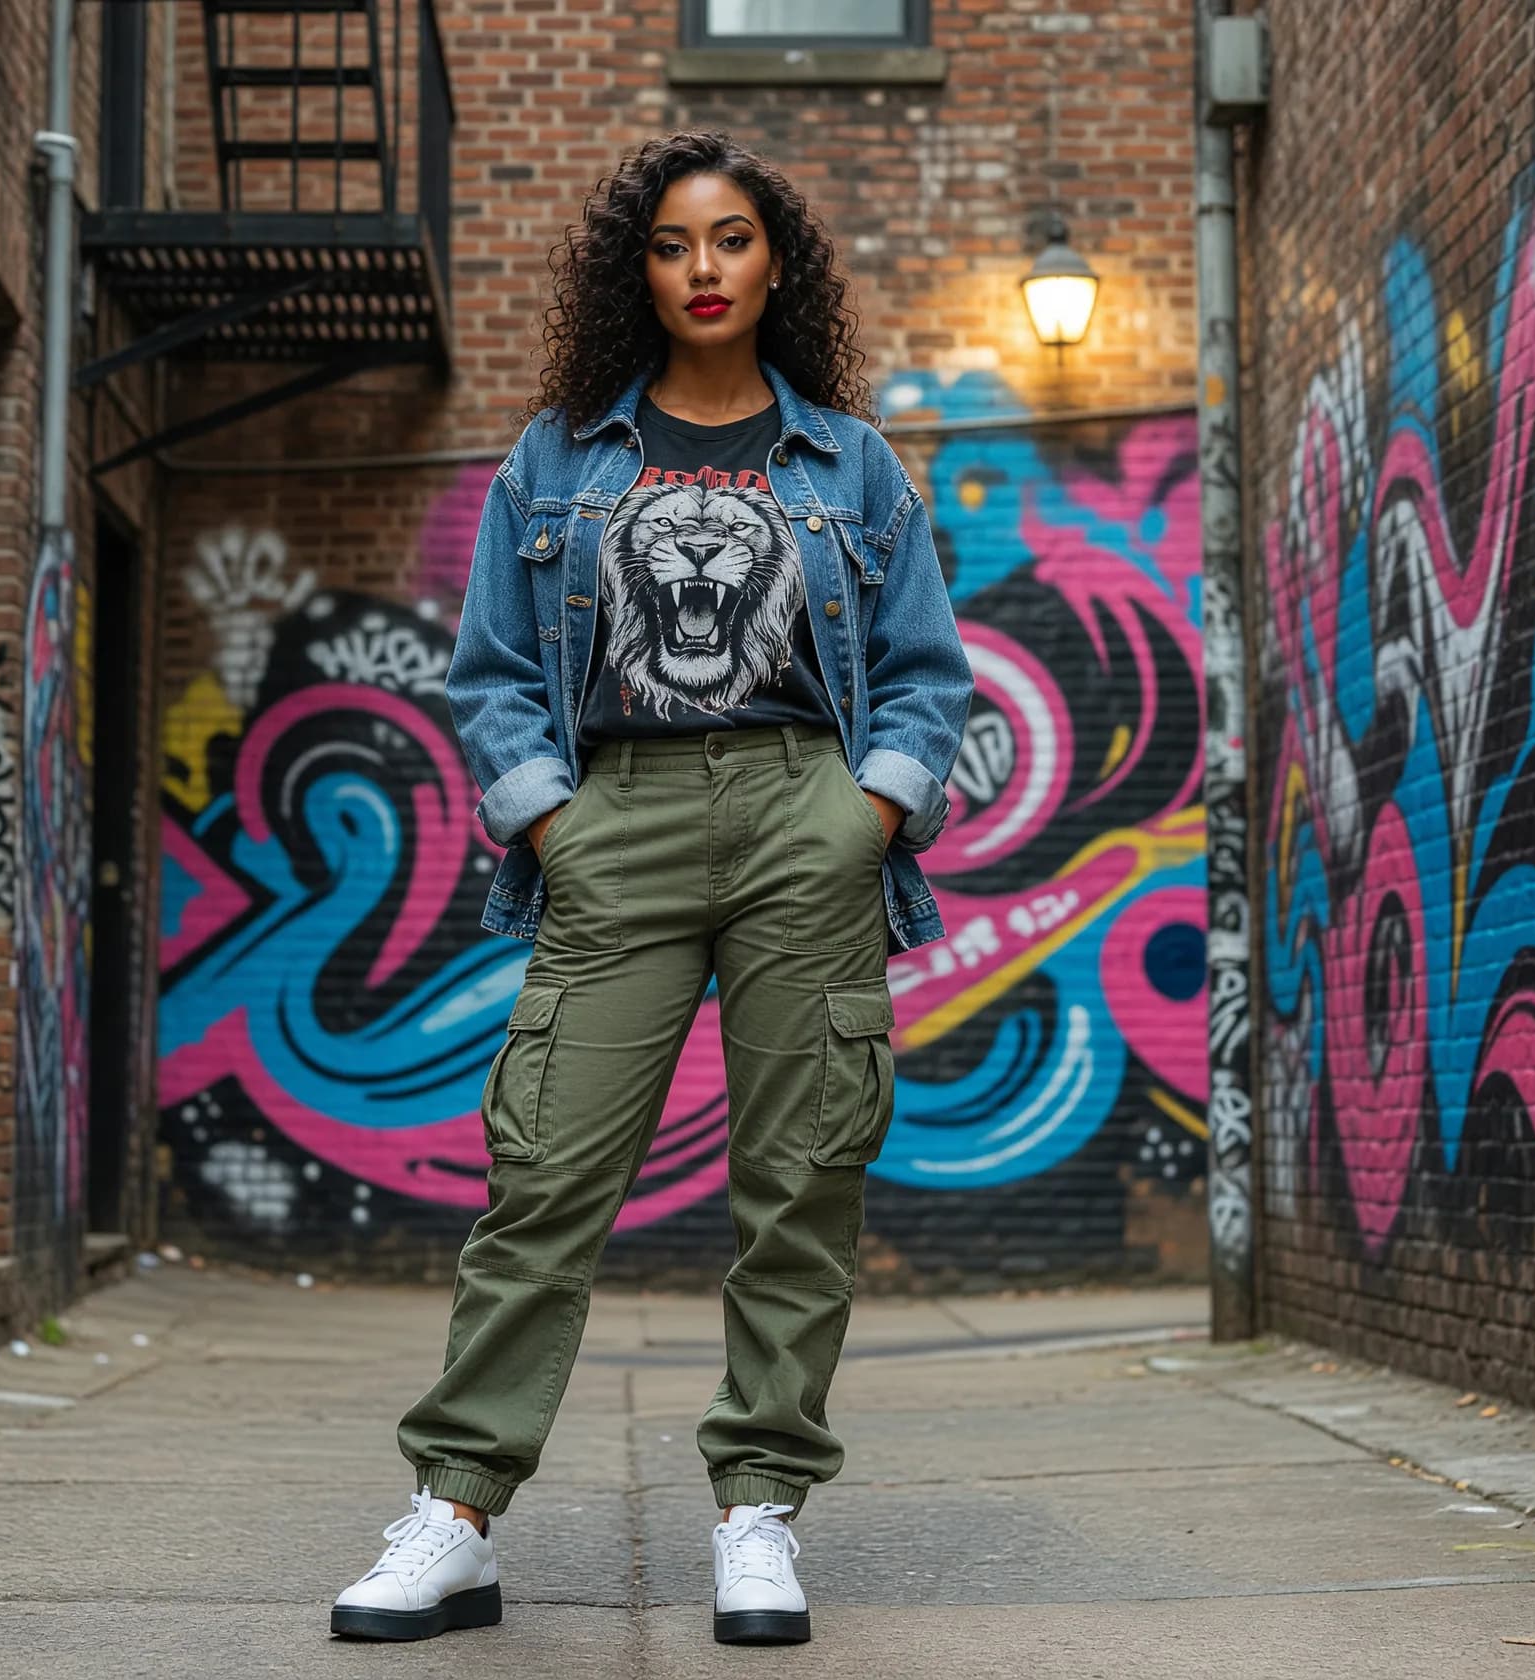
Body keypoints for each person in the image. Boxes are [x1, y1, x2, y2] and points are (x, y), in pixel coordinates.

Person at [330, 129, 973, 1649]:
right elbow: (490, 674)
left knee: (803, 1173)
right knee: (544, 1168)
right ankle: (458, 1514)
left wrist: (864, 814)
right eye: (675, 245)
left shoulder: (852, 464)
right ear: (641, 269)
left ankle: (759, 1512)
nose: (704, 269)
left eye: (733, 239)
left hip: (802, 820)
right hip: (611, 821)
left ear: (775, 265)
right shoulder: (559, 456)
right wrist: (558, 829)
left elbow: (926, 679)